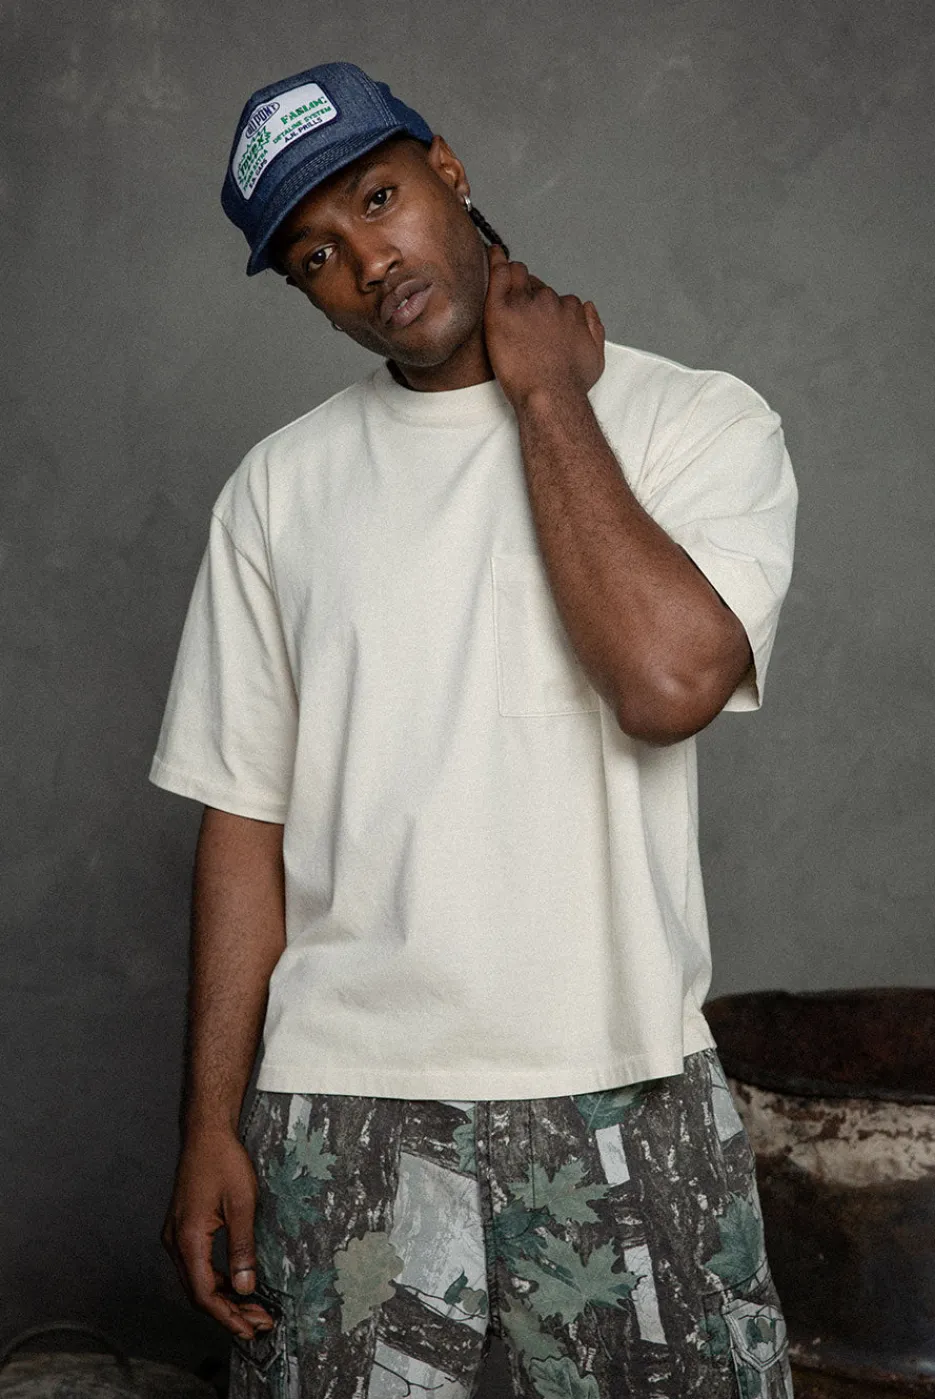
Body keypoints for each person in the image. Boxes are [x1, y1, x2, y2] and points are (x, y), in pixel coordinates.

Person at [151, 60, 797, 1399]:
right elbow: (243, 822)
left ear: (446, 167)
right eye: (316, 256)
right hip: (340, 1105)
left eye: (378, 200)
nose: (366, 263)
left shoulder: (693, 420)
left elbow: (665, 683)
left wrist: (549, 396)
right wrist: (210, 1121)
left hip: (622, 1083)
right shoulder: (276, 492)